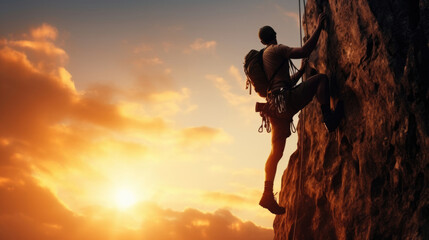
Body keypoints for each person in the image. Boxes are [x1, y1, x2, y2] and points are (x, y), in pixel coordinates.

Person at [258, 13, 344, 214]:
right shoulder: (277, 49)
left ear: (262, 40)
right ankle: (328, 119)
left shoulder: (264, 57)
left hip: (274, 107)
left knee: (275, 153)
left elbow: (283, 82)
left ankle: (267, 194)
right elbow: (305, 49)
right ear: (275, 35)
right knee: (321, 79)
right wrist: (319, 27)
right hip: (286, 101)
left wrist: (300, 72)